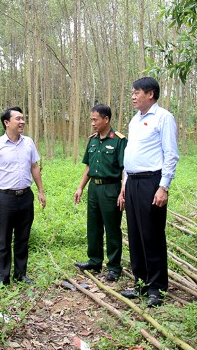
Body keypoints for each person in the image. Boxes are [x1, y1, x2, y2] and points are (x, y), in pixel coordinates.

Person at [119, 77, 179, 307]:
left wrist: (163, 186)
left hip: (151, 181)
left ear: (150, 94)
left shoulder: (163, 117)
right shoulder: (135, 120)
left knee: (152, 234)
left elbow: (170, 154)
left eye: (137, 92)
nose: (133, 96)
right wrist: (124, 184)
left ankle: (157, 287)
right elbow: (130, 155)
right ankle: (141, 283)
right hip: (132, 182)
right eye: (132, 92)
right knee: (135, 234)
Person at [0, 107, 46, 285]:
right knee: (4, 239)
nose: (22, 122)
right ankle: (3, 278)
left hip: (26, 196)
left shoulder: (28, 143)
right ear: (7, 122)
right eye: (18, 119)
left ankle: (21, 274)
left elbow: (35, 167)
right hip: (5, 198)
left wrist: (41, 191)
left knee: (23, 237)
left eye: (23, 119)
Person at [73, 104, 127, 282]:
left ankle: (114, 267)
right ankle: (95, 261)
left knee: (112, 228)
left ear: (106, 119)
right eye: (91, 120)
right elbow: (88, 166)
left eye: (95, 119)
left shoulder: (118, 140)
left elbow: (124, 168)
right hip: (94, 188)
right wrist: (80, 187)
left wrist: (123, 191)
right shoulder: (93, 140)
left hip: (111, 188)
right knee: (93, 226)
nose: (93, 123)